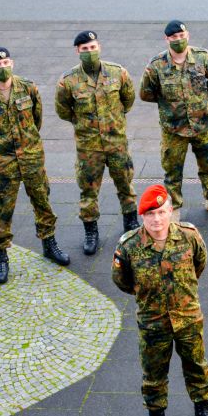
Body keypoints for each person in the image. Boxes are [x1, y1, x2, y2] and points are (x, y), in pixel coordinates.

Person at [111, 184, 208, 416]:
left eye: (161, 212)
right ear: (142, 216)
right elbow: (121, 280)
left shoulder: (188, 236)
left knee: (197, 365)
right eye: (150, 214)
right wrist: (147, 296)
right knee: (154, 373)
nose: (157, 219)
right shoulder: (129, 247)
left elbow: (199, 263)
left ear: (170, 211)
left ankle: (203, 410)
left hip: (187, 317)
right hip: (153, 322)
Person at [0, 47, 70, 284]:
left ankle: (49, 244)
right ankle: (1, 256)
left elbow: (37, 120)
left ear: (12, 63)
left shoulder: (28, 88)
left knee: (42, 202)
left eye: (6, 63)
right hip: (2, 163)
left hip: (31, 157)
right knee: (2, 210)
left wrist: (27, 143)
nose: (2, 68)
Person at [55, 31, 139, 256]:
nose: (89, 52)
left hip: (116, 142)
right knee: (88, 191)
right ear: (78, 51)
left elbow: (128, 100)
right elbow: (63, 110)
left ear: (99, 47)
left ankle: (131, 223)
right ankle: (91, 231)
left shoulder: (118, 72)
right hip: (89, 147)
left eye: (92, 47)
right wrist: (83, 124)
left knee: (125, 184)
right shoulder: (68, 81)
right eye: (85, 49)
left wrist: (114, 120)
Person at [140, 20, 208, 220]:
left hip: (201, 124)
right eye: (174, 37)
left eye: (181, 36)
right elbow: (146, 93)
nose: (178, 40)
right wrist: (170, 106)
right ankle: (173, 207)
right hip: (174, 128)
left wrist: (199, 100)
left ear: (187, 35)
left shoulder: (202, 57)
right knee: (172, 170)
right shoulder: (157, 65)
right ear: (167, 39)